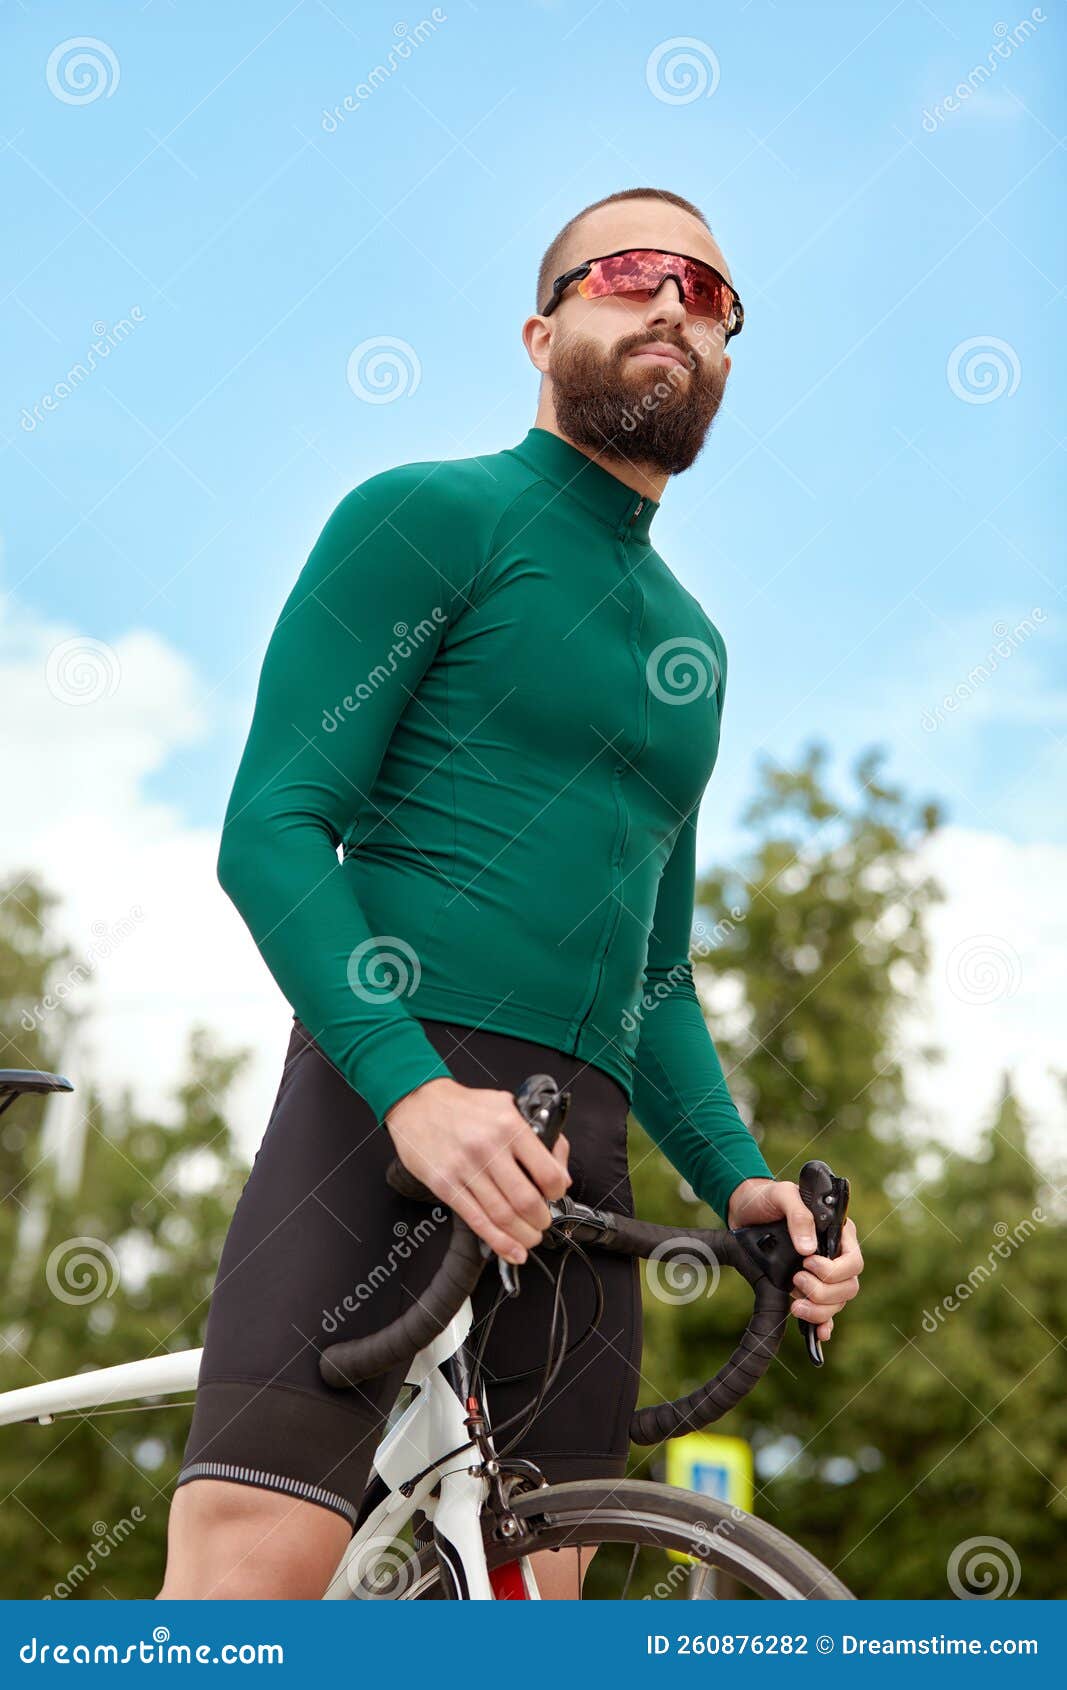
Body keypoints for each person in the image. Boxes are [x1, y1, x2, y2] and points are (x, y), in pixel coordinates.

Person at [159, 187, 864, 1600]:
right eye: (631, 275)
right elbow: (275, 827)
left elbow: (653, 975)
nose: (674, 303)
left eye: (711, 295)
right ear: (544, 331)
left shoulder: (694, 649)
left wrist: (737, 1177)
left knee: (534, 1595)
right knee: (254, 1569)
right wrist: (414, 1094)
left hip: (578, 1164)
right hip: (384, 1107)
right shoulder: (426, 517)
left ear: (724, 358)